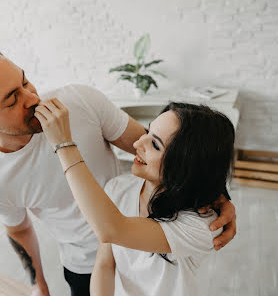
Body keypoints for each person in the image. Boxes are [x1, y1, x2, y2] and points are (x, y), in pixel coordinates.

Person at [0, 43, 237, 296]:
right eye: (12, 100)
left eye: (25, 82)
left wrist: (212, 191)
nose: (32, 98)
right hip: (86, 265)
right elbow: (19, 229)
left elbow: (164, 153)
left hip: (151, 245)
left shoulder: (79, 101)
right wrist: (38, 283)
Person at [35, 100, 236, 296]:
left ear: (186, 167)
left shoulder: (204, 225)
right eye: (147, 132)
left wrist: (64, 145)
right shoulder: (117, 188)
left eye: (155, 145)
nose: (137, 143)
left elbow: (111, 230)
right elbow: (105, 264)